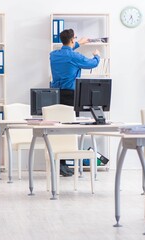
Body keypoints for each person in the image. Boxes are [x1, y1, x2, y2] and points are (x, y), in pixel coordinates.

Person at [50, 28, 100, 177]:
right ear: (72, 40)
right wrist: (97, 56)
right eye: (75, 39)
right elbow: (92, 64)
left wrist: (78, 43)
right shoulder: (75, 56)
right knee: (70, 130)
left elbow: (66, 52)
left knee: (58, 130)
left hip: (55, 96)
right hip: (71, 96)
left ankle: (60, 164)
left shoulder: (53, 55)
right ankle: (64, 165)